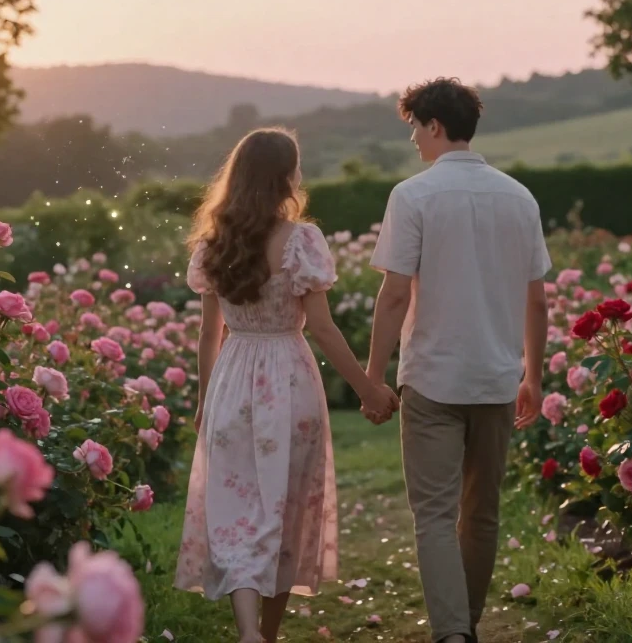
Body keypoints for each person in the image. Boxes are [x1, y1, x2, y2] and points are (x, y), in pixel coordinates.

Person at [174, 127, 401, 643]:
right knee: (284, 508)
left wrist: (206, 400)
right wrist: (368, 388)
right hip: (289, 379)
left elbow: (210, 333)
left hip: (233, 378)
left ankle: (252, 633)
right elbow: (322, 327)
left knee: (236, 512)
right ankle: (266, 637)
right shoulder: (301, 241)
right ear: (285, 177)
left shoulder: (214, 244)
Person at [366, 78, 551, 643]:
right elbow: (537, 298)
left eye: (415, 129)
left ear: (434, 125)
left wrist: (372, 375)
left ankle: (451, 633)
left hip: (432, 379)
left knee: (435, 517)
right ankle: (463, 626)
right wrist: (534, 379)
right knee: (483, 514)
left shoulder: (412, 196)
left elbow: (395, 295)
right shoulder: (519, 197)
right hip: (497, 379)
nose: (414, 142)